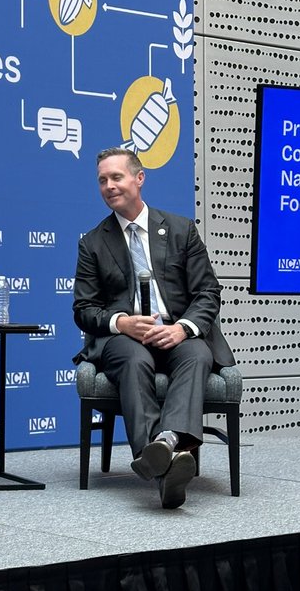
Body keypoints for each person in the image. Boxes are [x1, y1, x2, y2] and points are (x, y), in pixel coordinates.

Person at [72, 147, 235, 509]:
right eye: (102, 180)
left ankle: (165, 445)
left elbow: (207, 291)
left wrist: (184, 328)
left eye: (116, 177)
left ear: (139, 178)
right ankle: (166, 460)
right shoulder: (93, 243)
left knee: (197, 352)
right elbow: (83, 309)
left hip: (175, 333)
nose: (109, 186)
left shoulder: (180, 230)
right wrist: (122, 323)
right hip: (123, 340)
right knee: (133, 359)